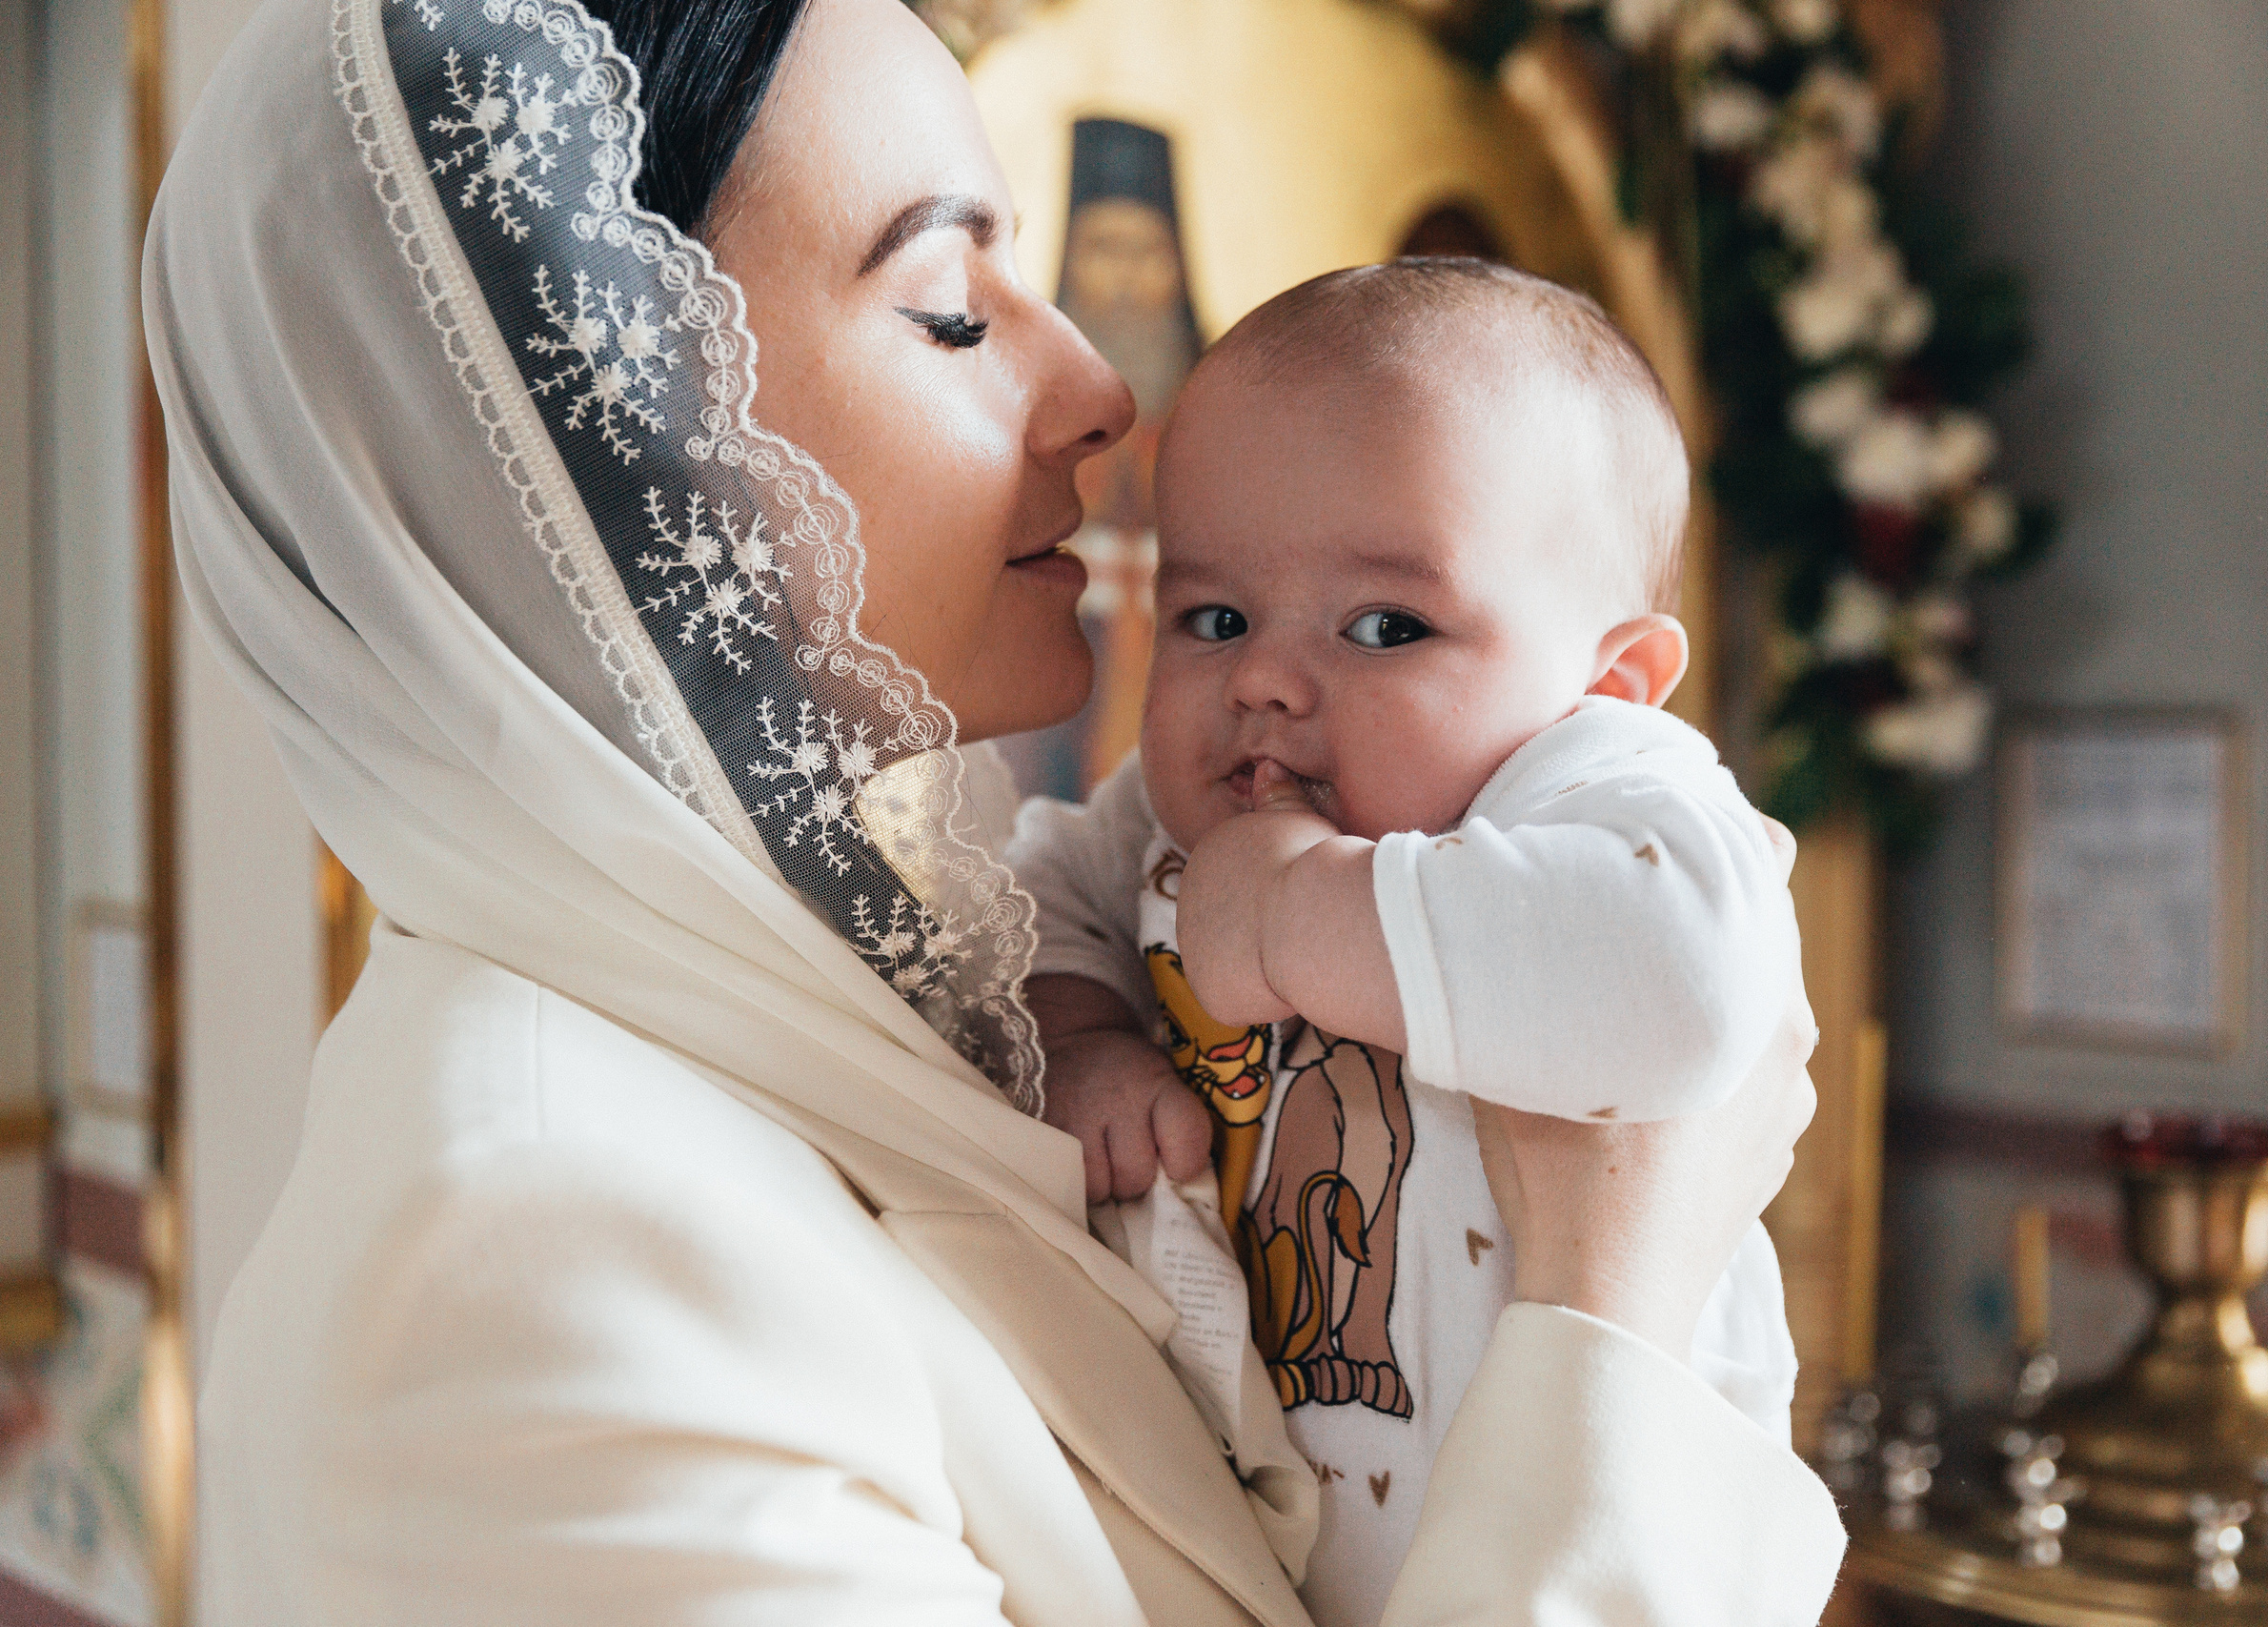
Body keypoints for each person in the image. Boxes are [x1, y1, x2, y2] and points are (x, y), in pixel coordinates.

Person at [146, 0, 1842, 1617]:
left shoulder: (865, 1008)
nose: (1106, 390)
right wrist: (1612, 1285)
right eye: (953, 303)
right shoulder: (532, 1274)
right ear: (608, 431)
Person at [1011, 261, 1803, 1627]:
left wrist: (1292, 913)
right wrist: (1080, 1031)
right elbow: (1034, 888)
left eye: (1386, 626)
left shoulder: (1596, 792)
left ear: (1607, 683)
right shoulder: (1168, 821)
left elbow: (1692, 985)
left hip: (1614, 1531)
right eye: (1213, 618)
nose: (1262, 678)